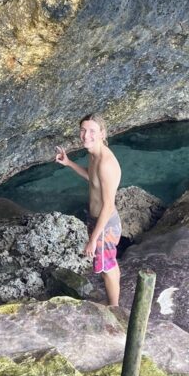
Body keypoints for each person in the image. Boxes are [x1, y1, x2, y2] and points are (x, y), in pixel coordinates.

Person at [55, 113, 122, 306]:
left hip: (105, 224)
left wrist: (93, 240)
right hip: (98, 220)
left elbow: (108, 206)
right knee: (110, 262)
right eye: (83, 130)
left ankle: (114, 309)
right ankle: (115, 302)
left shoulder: (105, 164)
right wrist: (69, 163)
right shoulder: (95, 155)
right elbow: (92, 179)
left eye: (92, 131)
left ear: (102, 133)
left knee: (106, 268)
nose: (86, 135)